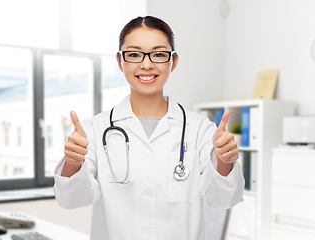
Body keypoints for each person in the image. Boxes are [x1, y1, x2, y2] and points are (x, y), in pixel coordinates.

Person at [53, 16, 244, 240]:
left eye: (159, 54)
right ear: (119, 60)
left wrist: (224, 161)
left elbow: (224, 200)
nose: (146, 64)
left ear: (173, 62)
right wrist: (73, 164)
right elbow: (71, 200)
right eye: (134, 54)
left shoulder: (200, 129)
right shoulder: (95, 129)